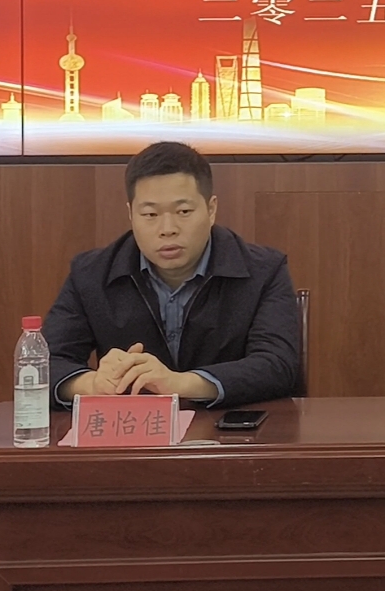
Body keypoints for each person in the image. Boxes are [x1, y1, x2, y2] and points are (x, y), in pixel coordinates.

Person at [43, 141, 301, 408]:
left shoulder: (263, 271)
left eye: (183, 212)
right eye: (150, 214)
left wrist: (179, 383)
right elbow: (43, 364)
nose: (167, 228)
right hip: (135, 429)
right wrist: (93, 384)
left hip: (228, 429)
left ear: (211, 209)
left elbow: (278, 365)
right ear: (131, 214)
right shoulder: (91, 274)